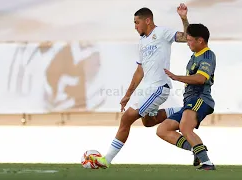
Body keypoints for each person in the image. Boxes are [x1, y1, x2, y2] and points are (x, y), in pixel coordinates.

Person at [91, 4, 194, 168]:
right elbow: (140, 71)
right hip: (148, 89)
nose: (135, 27)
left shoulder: (162, 33)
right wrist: (127, 95)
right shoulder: (142, 42)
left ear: (148, 20)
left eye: (136, 22)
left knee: (126, 119)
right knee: (148, 122)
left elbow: (186, 37)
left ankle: (106, 160)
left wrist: (183, 18)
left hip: (159, 87)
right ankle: (184, 112)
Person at [156, 23, 216, 170]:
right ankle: (196, 149)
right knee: (163, 130)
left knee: (184, 127)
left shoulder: (208, 55)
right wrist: (183, 18)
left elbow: (200, 79)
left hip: (200, 99)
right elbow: (188, 32)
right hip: (189, 101)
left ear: (200, 40)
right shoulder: (195, 54)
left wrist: (177, 77)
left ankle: (207, 163)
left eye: (190, 40)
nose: (187, 43)